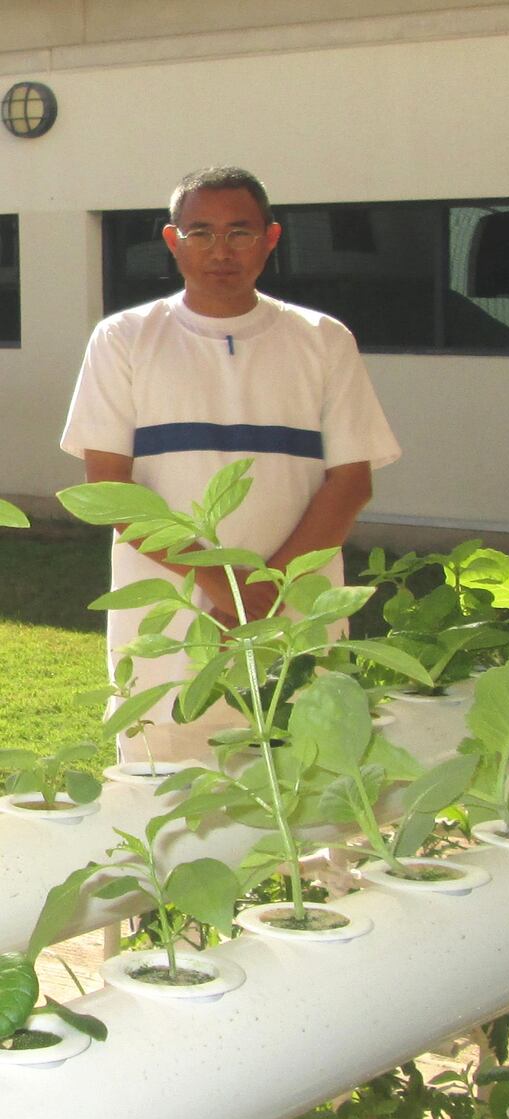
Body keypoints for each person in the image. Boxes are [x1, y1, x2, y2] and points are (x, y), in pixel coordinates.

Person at [60, 165, 400, 760]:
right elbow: (110, 489)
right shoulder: (124, 339)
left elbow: (350, 483)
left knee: (308, 822)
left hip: (297, 630)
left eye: (239, 232)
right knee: (169, 815)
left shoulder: (323, 339)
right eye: (201, 233)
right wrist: (224, 588)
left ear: (270, 238)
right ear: (173, 241)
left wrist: (262, 593)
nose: (221, 250)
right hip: (169, 641)